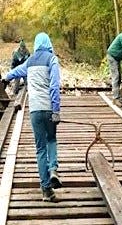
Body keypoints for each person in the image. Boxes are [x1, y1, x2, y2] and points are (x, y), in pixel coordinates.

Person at [4, 32, 62, 202]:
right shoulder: (52, 59)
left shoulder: (30, 61)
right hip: (49, 108)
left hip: (35, 109)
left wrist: (5, 77)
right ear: (48, 43)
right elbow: (54, 87)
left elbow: (15, 72)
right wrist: (56, 110)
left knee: (40, 148)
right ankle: (53, 169)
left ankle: (46, 190)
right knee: (51, 139)